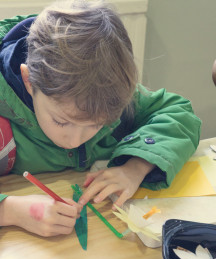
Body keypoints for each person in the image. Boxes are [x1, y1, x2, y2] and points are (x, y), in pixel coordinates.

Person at [0, 0, 201, 237]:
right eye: (61, 122)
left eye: (96, 124)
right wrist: (10, 210)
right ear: (28, 80)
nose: (75, 140)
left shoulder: (107, 93)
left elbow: (179, 113)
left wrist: (135, 167)